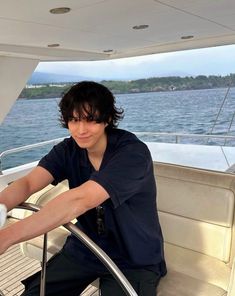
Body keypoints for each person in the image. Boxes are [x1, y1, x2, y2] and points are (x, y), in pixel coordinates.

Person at [0, 81, 166, 295]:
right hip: (86, 247)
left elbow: (80, 200)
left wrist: (5, 237)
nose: (81, 130)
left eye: (90, 120)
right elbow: (29, 183)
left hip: (133, 257)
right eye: (74, 120)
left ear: (107, 119)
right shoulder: (68, 150)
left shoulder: (132, 154)